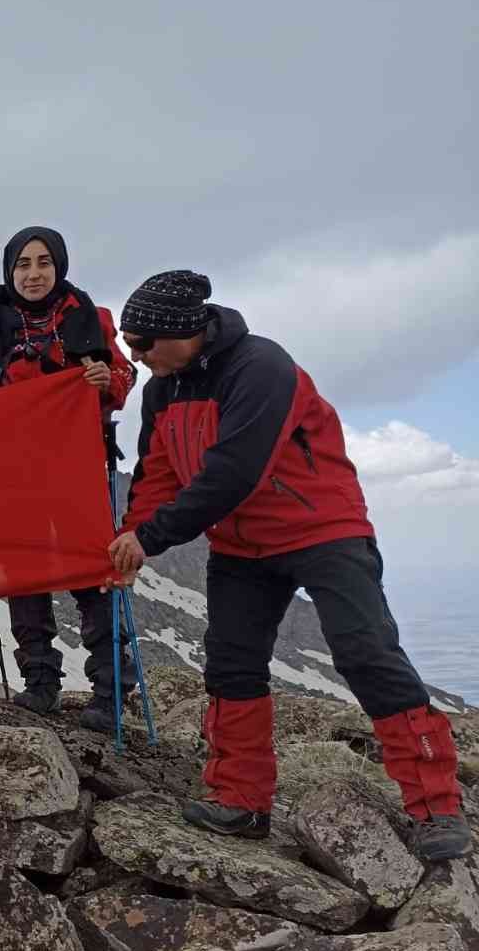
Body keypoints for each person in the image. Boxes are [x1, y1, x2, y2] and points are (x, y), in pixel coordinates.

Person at [107, 270, 469, 860]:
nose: (135, 355)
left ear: (185, 332)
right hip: (240, 545)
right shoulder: (161, 388)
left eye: (143, 343)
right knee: (231, 665)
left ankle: (437, 806)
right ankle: (241, 800)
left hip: (321, 529)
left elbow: (235, 468)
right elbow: (159, 473)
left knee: (365, 650)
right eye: (129, 342)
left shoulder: (261, 367)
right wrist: (131, 538)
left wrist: (152, 536)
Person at [0, 226, 138, 730]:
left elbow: (123, 376)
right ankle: (40, 683)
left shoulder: (88, 317)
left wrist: (106, 382)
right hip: (14, 471)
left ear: (59, 266)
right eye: (23, 265)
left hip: (78, 464)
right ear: (9, 270)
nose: (33, 274)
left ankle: (110, 689)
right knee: (24, 570)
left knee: (91, 566)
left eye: (43, 263)